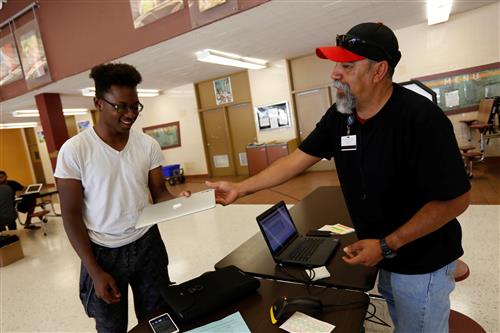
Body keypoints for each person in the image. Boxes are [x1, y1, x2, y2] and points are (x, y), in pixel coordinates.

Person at [206, 22, 470, 332]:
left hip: (422, 262)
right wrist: (240, 188)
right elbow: (296, 161)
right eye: (335, 64)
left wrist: (387, 244)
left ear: (379, 70)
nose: (334, 73)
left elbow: (456, 200)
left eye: (347, 65)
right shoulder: (340, 116)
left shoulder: (420, 118)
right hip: (382, 255)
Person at [54, 63, 189, 332]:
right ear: (98, 103)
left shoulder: (147, 145)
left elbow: (159, 192)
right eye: (121, 106)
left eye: (135, 106)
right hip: (102, 253)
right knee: (111, 327)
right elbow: (70, 215)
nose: (130, 114)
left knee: (157, 320)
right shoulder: (75, 151)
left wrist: (180, 201)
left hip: (148, 244)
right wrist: (94, 270)